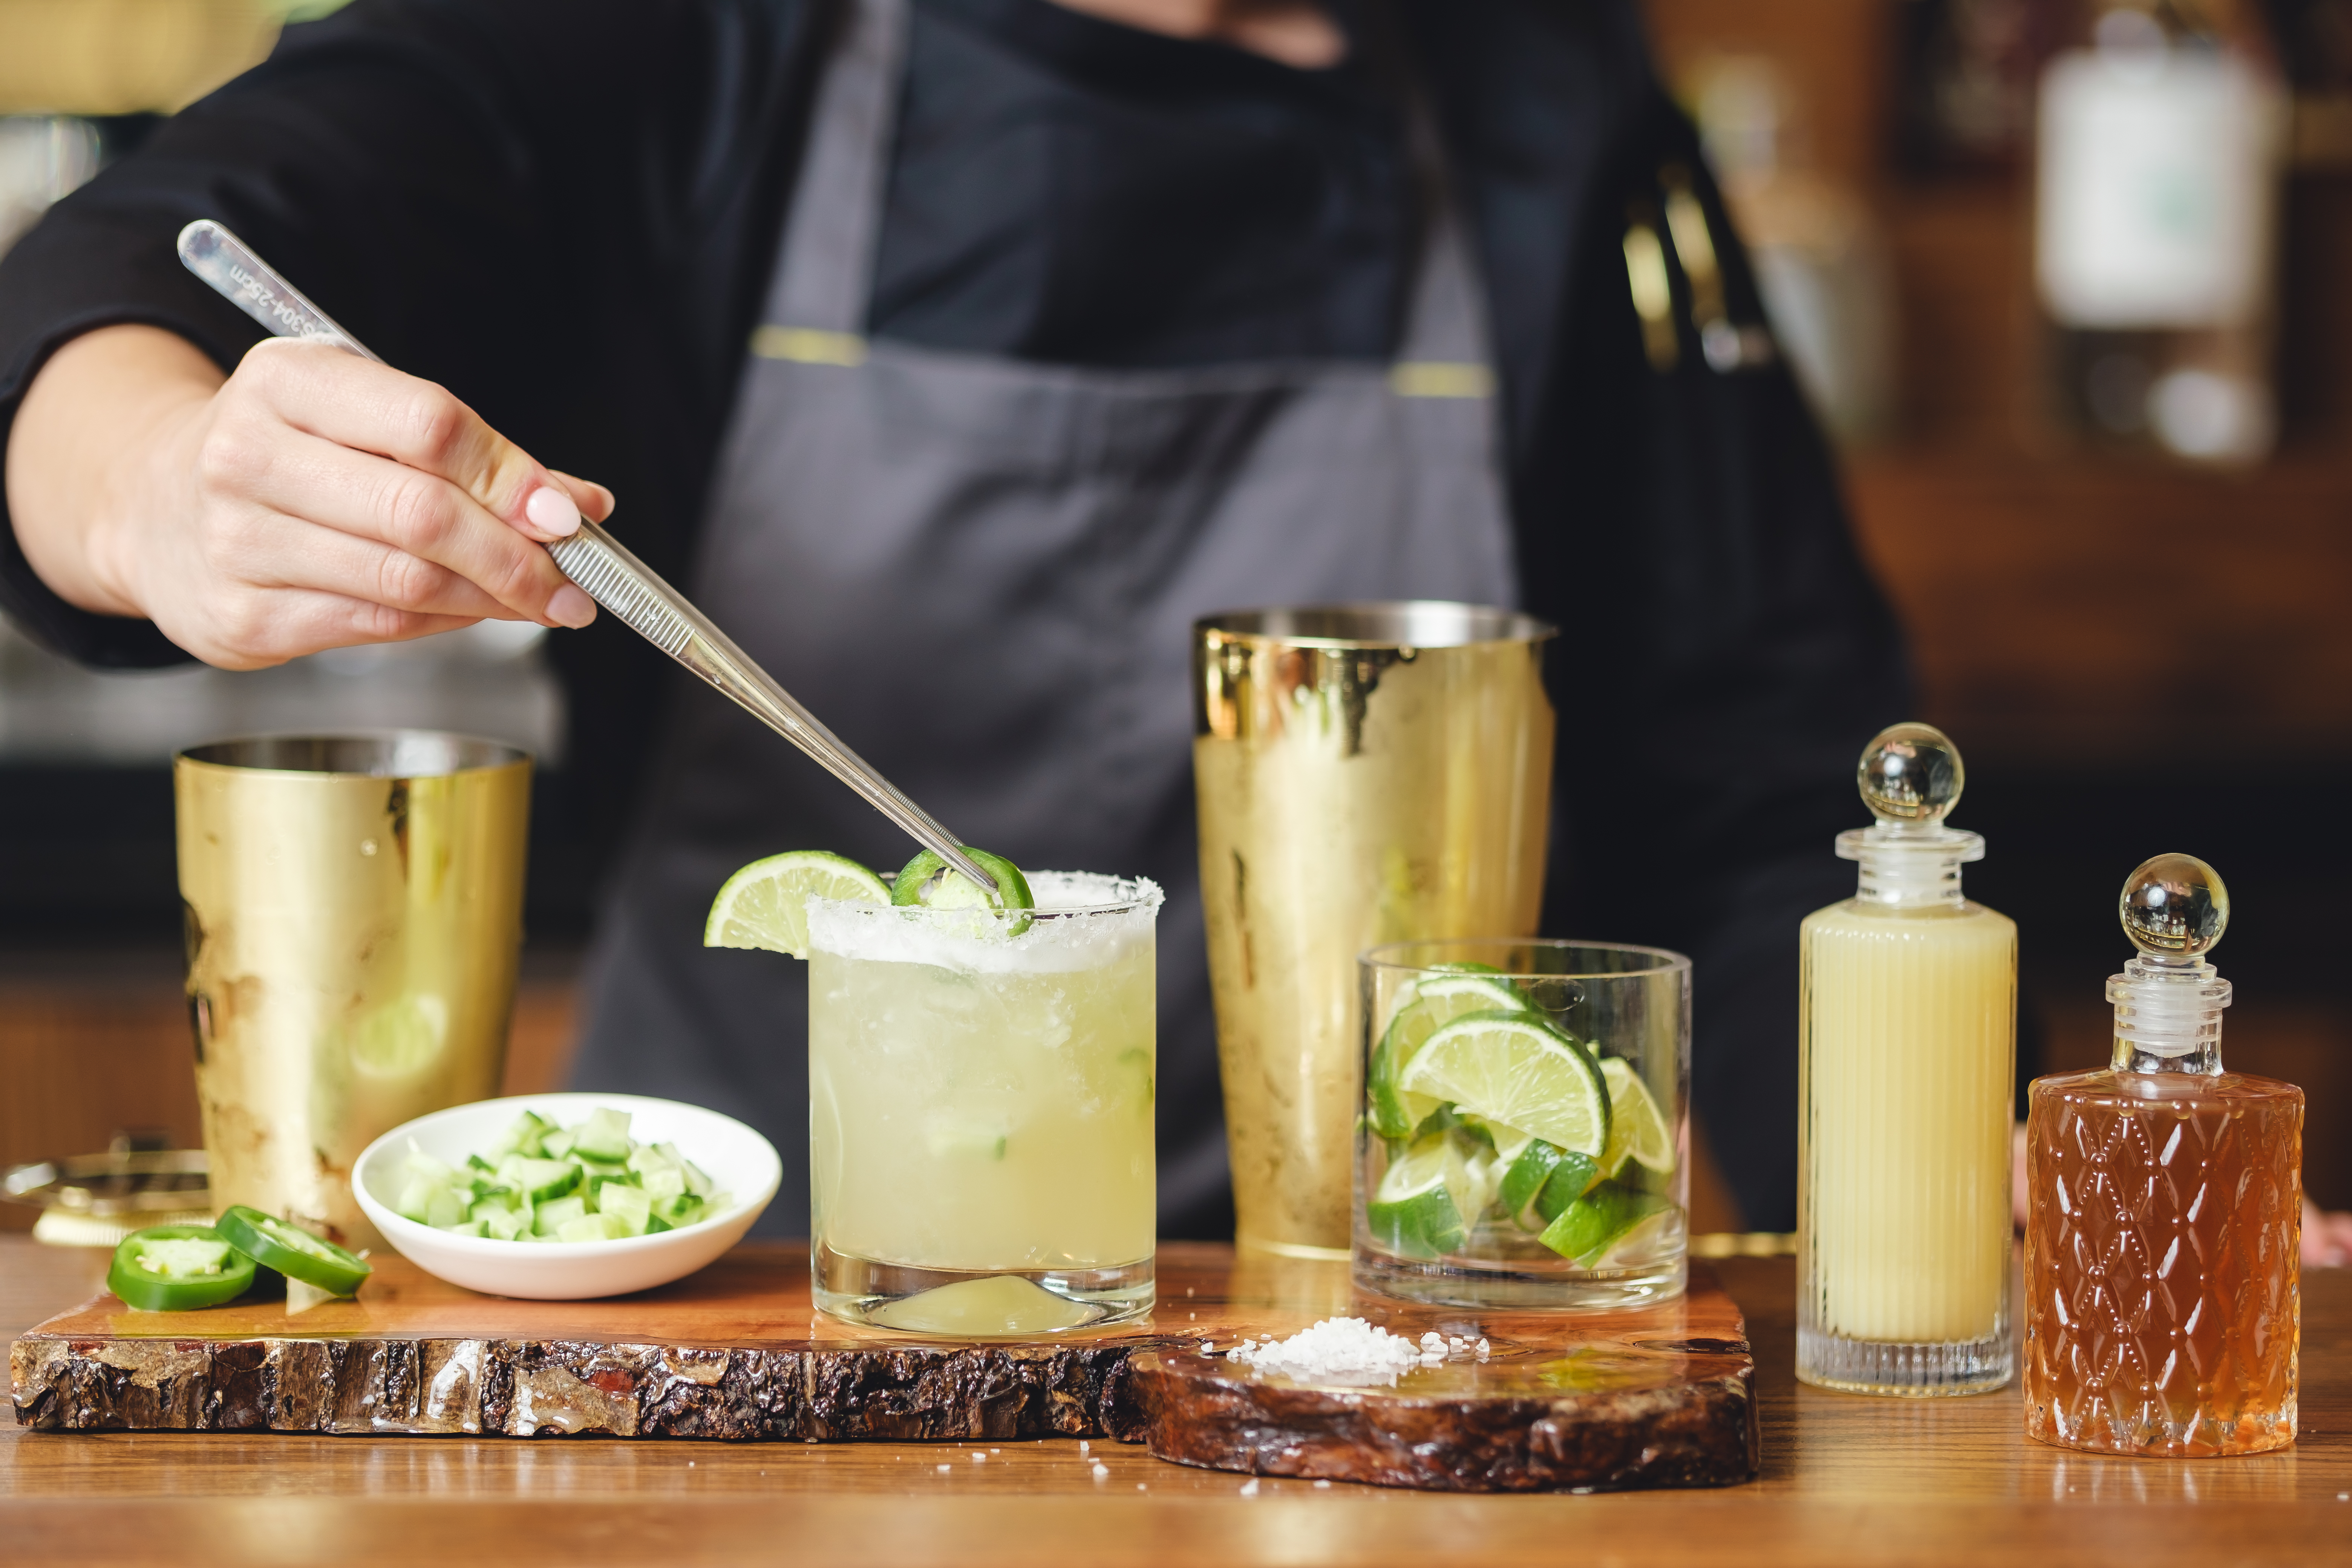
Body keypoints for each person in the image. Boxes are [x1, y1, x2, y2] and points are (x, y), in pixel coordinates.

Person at [0, 0, 1911, 1238]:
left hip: (1355, 1343)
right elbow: (96, 296)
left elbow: (1764, 798)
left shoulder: (1553, 105)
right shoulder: (678, 49)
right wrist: (151, 487)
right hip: (742, 1323)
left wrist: (1917, 1192)